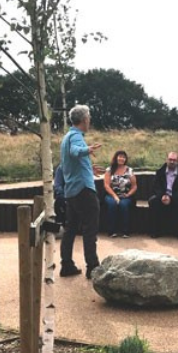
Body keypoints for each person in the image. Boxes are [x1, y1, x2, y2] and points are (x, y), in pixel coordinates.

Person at [59, 104, 103, 278]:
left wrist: (88, 169)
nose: (90, 121)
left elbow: (68, 162)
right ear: (84, 119)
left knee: (70, 230)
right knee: (90, 229)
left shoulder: (66, 137)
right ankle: (92, 267)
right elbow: (75, 151)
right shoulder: (77, 137)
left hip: (71, 191)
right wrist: (87, 149)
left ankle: (66, 264)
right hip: (84, 190)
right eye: (89, 118)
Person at [148, 151, 178, 239]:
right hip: (163, 196)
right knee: (153, 201)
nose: (172, 162)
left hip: (177, 197)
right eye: (170, 159)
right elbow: (156, 187)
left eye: (174, 160)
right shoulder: (160, 172)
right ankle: (155, 231)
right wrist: (162, 196)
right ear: (166, 160)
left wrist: (171, 198)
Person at [103, 150, 138, 238]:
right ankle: (111, 231)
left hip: (126, 196)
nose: (121, 158)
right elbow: (106, 185)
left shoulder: (129, 170)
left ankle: (125, 231)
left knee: (123, 205)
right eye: (120, 156)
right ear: (116, 158)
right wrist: (115, 196)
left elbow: (134, 186)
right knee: (112, 204)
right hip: (111, 195)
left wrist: (128, 194)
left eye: (123, 157)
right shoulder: (109, 169)